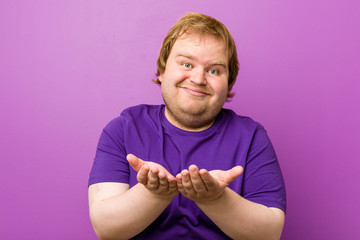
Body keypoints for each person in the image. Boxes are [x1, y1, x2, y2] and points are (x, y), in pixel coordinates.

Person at [88, 12, 286, 240]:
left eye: (214, 70)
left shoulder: (251, 137)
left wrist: (215, 199)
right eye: (186, 63)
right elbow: (106, 228)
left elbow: (270, 233)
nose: (199, 79)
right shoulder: (123, 129)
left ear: (229, 81)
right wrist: (155, 195)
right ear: (162, 70)